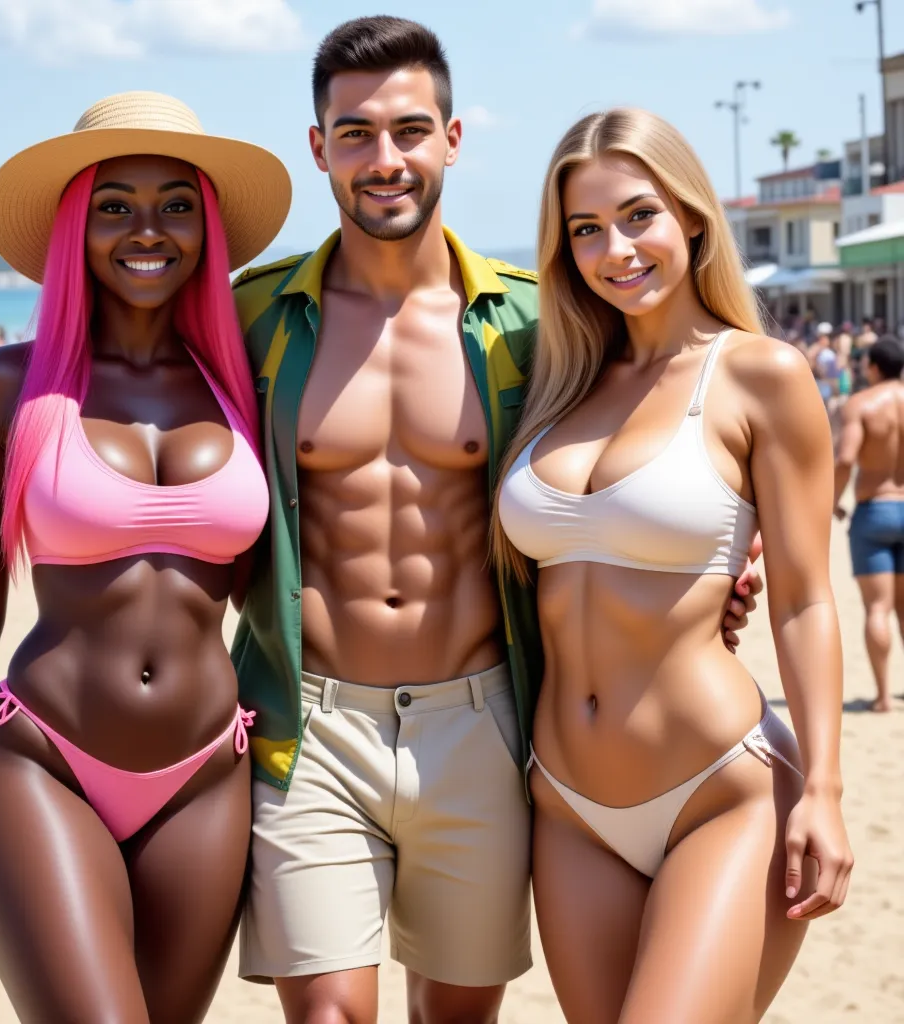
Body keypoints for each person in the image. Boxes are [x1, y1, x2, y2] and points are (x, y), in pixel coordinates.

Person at [231, 19, 760, 1024]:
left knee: (458, 1014)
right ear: (318, 148)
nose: (384, 160)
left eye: (410, 130)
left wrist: (715, 565)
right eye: (354, 134)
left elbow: (654, 433)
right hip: (308, 718)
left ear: (454, 139)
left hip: (483, 719)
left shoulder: (537, 323)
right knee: (329, 1014)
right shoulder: (256, 314)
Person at [0, 91, 291, 1023]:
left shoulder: (249, 381)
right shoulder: (8, 386)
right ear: (76, 226)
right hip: (42, 760)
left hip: (207, 775)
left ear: (206, 226)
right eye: (114, 205)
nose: (146, 230)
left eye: (176, 204)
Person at [494, 108, 852, 1022]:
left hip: (718, 790)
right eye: (585, 230)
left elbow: (807, 600)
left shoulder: (759, 375)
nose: (616, 249)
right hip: (568, 805)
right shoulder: (555, 381)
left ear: (692, 216)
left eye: (638, 215)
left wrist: (826, 788)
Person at [834, 335, 904, 712]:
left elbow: (845, 458)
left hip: (875, 510)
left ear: (873, 366)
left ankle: (883, 696)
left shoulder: (860, 405)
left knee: (878, 608)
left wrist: (831, 502)